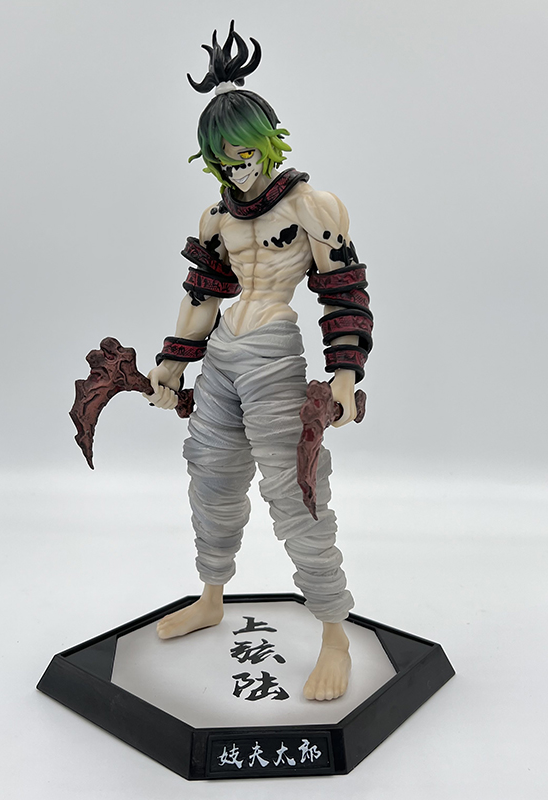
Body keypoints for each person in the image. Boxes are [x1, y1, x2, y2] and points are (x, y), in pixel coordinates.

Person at [143, 22, 372, 701]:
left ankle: (334, 632)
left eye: (245, 151)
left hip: (273, 351)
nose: (236, 165)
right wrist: (172, 363)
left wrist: (345, 374)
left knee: (294, 491)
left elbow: (344, 291)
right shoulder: (216, 219)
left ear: (269, 142)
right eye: (222, 156)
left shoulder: (312, 206)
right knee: (210, 476)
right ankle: (211, 596)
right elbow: (202, 295)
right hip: (222, 355)